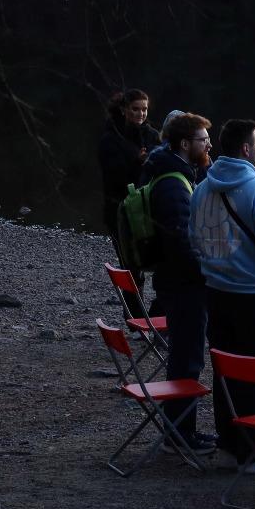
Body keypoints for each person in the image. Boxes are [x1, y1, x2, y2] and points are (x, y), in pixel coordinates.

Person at [189, 119, 255, 475]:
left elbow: (194, 238)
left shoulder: (202, 188)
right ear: (246, 149)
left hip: (216, 293)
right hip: (254, 296)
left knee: (226, 371)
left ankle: (230, 443)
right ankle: (254, 450)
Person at [143, 111, 215, 455]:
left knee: (184, 356)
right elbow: (180, 240)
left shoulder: (176, 172)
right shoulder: (173, 183)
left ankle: (180, 429)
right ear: (185, 144)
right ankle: (180, 435)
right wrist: (208, 272)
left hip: (175, 281)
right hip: (183, 284)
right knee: (187, 360)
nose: (209, 145)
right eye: (203, 140)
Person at [98, 89, 160, 316]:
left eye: (144, 109)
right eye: (135, 109)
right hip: (118, 210)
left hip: (147, 209)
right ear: (124, 110)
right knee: (129, 265)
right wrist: (138, 160)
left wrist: (144, 161)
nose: (141, 113)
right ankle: (135, 317)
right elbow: (114, 176)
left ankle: (153, 315)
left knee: (152, 260)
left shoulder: (152, 135)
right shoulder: (110, 139)